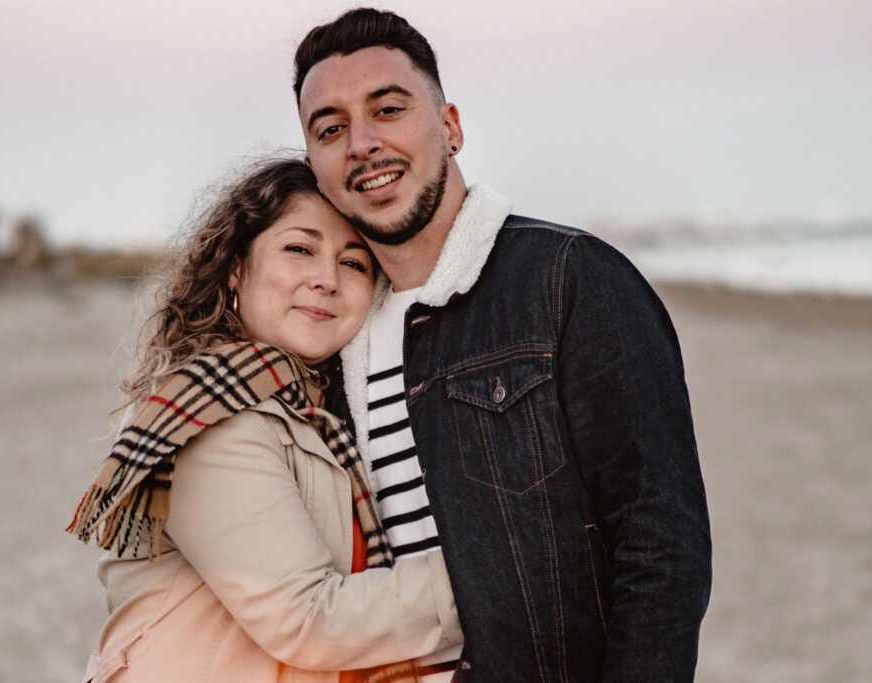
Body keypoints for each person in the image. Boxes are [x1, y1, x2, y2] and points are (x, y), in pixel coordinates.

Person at [292, 9, 712, 682]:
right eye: (332, 128)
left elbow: (662, 546)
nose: (362, 143)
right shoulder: (326, 340)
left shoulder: (571, 281)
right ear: (315, 165)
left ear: (451, 127)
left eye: (388, 108)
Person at [68, 158, 462, 683]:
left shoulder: (312, 412)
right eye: (300, 249)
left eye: (354, 263)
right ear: (236, 266)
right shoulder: (209, 412)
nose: (326, 279)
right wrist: (499, 573)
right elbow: (306, 618)